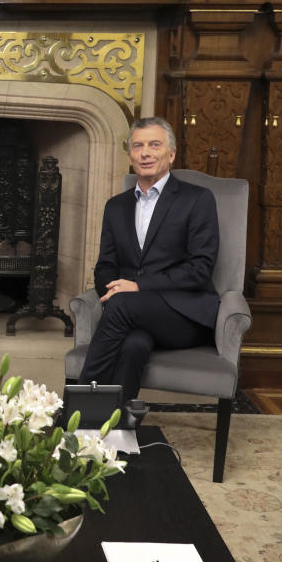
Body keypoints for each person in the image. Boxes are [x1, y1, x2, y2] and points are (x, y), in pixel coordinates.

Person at [78, 116, 219, 401]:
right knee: (134, 345)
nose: (145, 152)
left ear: (171, 153)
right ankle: (117, 431)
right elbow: (106, 264)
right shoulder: (115, 207)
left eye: (155, 145)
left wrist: (138, 287)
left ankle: (74, 410)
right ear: (129, 155)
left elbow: (200, 269)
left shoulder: (197, 199)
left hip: (184, 314)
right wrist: (114, 286)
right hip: (132, 313)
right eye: (138, 146)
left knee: (120, 305)